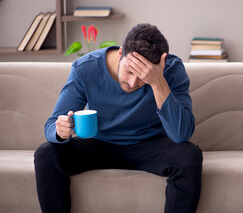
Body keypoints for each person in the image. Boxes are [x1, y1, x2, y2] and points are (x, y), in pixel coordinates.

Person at [34, 23, 203, 213]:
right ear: (120, 52)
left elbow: (181, 134)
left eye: (143, 77)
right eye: (130, 71)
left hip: (149, 145)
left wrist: (157, 82)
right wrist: (60, 130)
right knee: (46, 153)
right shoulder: (86, 68)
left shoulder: (171, 70)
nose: (132, 83)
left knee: (189, 155)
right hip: (98, 144)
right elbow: (51, 125)